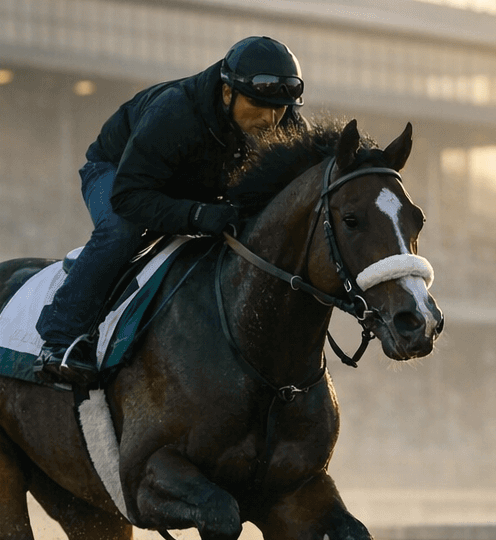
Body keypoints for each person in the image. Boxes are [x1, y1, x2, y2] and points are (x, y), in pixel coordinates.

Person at [35, 36, 307, 385]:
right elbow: (129, 197)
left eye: (279, 109)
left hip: (193, 185)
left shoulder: (283, 120)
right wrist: (198, 215)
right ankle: (60, 340)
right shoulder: (175, 112)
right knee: (122, 230)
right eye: (258, 105)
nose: (270, 119)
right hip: (118, 174)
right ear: (227, 93)